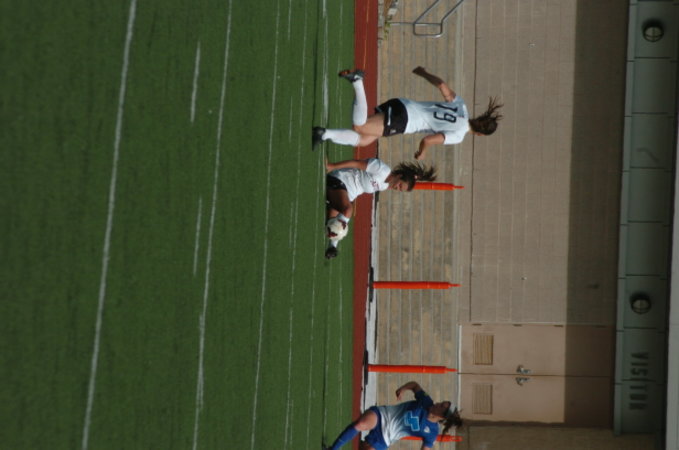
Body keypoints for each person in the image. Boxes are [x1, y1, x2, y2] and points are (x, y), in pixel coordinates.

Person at [312, 67, 502, 160]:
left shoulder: (462, 107)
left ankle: (323, 134)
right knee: (360, 127)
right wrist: (422, 152)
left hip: (402, 104)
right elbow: (428, 140)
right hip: (404, 121)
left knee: (363, 140)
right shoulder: (458, 135)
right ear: (480, 134)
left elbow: (442, 85)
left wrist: (423, 72)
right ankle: (357, 82)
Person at [324, 158, 436, 259]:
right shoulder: (381, 169)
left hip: (347, 193)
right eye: (400, 185)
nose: (397, 188)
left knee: (335, 221)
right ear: (399, 176)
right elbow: (356, 163)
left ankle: (332, 246)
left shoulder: (385, 185)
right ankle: (334, 241)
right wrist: (332, 166)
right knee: (348, 210)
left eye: (400, 189)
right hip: (340, 180)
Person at [323, 381, 462, 449]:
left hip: (387, 436)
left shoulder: (432, 432)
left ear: (442, 416)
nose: (437, 403)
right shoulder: (425, 401)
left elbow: (426, 448)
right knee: (361, 424)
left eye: (441, 406)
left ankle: (364, 444)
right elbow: (415, 385)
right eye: (442, 402)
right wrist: (402, 389)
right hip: (383, 415)